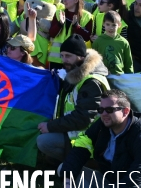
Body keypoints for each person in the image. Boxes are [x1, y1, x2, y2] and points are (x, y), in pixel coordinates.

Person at [60, 89, 141, 188]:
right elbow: (79, 150)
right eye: (101, 109)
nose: (104, 114)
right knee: (66, 169)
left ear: (125, 111)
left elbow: (135, 182)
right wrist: (68, 182)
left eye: (109, 110)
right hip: (112, 182)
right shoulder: (101, 126)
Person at [37, 34, 109, 163]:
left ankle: (84, 164)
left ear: (81, 57)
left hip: (90, 138)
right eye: (62, 56)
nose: (64, 60)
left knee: (43, 141)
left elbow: (84, 117)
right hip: (76, 132)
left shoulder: (92, 82)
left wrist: (51, 126)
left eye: (68, 56)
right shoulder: (73, 74)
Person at [48, 0, 93, 69]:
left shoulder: (87, 16)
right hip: (56, 59)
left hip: (75, 60)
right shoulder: (59, 13)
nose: (64, 0)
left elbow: (87, 37)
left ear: (76, 0)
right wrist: (60, 24)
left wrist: (76, 26)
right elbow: (51, 33)